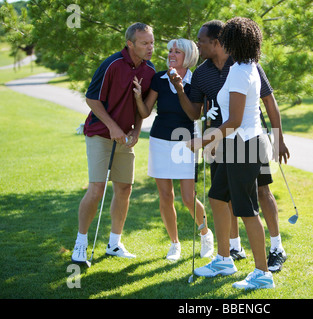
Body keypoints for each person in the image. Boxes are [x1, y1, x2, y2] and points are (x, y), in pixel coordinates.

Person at [173, 19, 289, 272]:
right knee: (218, 197)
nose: (198, 46)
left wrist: (279, 139)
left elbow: (256, 110)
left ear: (221, 42)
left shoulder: (244, 68)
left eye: (202, 41)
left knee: (253, 200)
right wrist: (180, 90)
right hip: (225, 143)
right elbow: (197, 112)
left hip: (246, 143)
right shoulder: (204, 72)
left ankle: (271, 255)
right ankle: (228, 255)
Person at [71, 22, 156, 264]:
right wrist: (113, 127)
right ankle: (81, 243)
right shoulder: (111, 64)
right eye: (144, 43)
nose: (150, 47)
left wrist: (137, 131)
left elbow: (144, 110)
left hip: (126, 138)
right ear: (130, 44)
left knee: (124, 189)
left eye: (152, 42)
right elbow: (92, 99)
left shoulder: (150, 70)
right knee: (97, 189)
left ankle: (114, 244)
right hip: (100, 133)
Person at [133, 38, 214, 261]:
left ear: (187, 56)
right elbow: (145, 112)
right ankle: (174, 243)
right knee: (165, 197)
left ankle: (206, 234)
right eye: (170, 50)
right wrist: (139, 97)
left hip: (185, 142)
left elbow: (194, 114)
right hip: (159, 140)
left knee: (188, 198)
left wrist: (179, 87)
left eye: (177, 51)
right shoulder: (159, 78)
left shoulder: (196, 80)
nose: (171, 54)